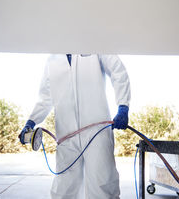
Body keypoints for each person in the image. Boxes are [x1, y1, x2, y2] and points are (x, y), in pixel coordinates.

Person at [19, 54, 131, 199]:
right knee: (64, 188)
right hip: (66, 134)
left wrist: (123, 105)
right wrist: (31, 121)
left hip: (97, 131)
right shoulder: (53, 59)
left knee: (102, 185)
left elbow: (118, 70)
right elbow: (46, 97)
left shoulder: (94, 46)